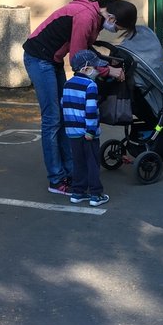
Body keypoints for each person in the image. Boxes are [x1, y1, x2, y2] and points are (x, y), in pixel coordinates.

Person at [22, 0, 131, 195]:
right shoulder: (85, 17)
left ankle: (72, 173)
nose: (115, 31)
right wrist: (108, 71)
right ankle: (56, 179)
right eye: (118, 28)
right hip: (38, 58)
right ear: (113, 19)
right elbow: (78, 59)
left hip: (51, 60)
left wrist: (107, 63)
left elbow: (86, 49)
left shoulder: (95, 17)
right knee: (52, 119)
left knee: (65, 115)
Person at [61, 49, 110, 207]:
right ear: (86, 68)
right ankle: (96, 194)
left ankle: (77, 192)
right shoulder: (90, 85)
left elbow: (64, 104)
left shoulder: (67, 84)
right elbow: (90, 110)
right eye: (95, 68)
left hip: (72, 132)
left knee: (78, 162)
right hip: (87, 133)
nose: (98, 71)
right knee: (92, 163)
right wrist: (90, 130)